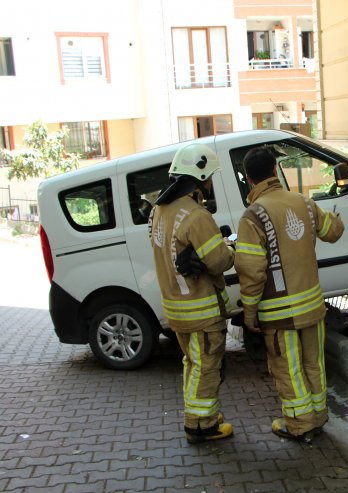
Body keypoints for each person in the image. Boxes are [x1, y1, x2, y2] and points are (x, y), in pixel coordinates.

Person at [234, 146, 344, 442]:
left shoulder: (253, 216)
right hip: (312, 306)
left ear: (249, 179)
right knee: (313, 364)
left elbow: (252, 271)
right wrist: (337, 219)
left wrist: (249, 312)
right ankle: (318, 417)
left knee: (288, 369)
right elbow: (331, 232)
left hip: (279, 314)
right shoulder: (304, 203)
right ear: (274, 171)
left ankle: (299, 425)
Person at [148, 143, 235, 444]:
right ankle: (201, 426)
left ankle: (200, 414)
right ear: (199, 177)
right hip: (201, 310)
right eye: (209, 176)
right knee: (206, 367)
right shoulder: (197, 216)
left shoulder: (159, 211)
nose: (211, 183)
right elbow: (220, 261)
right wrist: (230, 247)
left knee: (192, 365)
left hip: (175, 309)